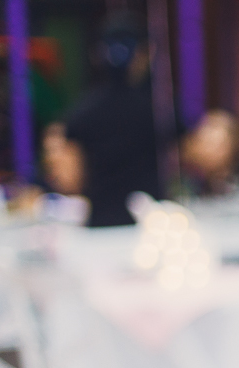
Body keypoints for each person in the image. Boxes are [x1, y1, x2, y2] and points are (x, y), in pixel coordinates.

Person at [62, 13, 164, 227]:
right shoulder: (159, 109)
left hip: (101, 226)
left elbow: (70, 180)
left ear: (97, 56)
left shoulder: (82, 112)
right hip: (151, 227)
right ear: (143, 54)